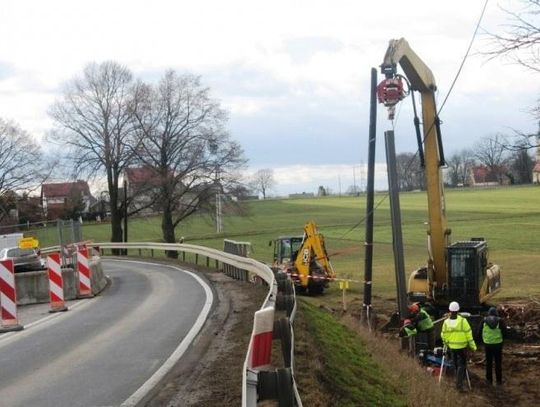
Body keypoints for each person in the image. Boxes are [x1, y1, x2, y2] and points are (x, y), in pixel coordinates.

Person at [441, 301, 477, 391]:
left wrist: (446, 343)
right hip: (462, 348)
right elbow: (469, 335)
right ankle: (459, 385)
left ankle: (458, 380)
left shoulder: (446, 322)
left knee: (456, 364)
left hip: (452, 347)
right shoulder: (463, 321)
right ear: (458, 310)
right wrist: (473, 346)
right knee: (462, 365)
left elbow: (443, 335)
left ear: (449, 310)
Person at [482, 306, 506, 386]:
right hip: (498, 345)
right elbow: (505, 333)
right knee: (498, 363)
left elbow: (479, 332)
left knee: (488, 363)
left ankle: (489, 380)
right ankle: (499, 381)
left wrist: (483, 341)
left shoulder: (484, 321)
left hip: (487, 345)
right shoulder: (500, 321)